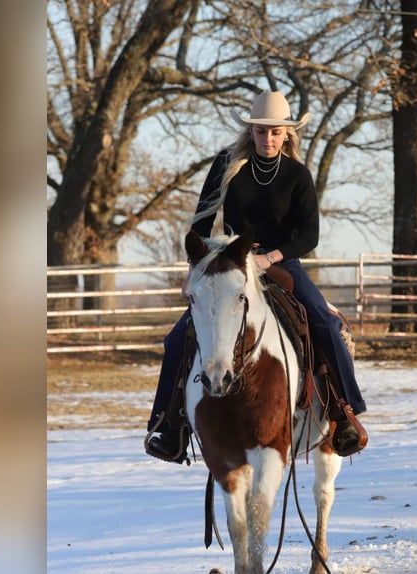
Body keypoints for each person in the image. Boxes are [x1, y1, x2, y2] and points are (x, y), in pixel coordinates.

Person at [144, 91, 367, 464]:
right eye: (262, 132)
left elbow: (307, 235)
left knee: (326, 323)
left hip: (282, 263)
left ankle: (345, 414)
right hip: (231, 262)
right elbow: (200, 223)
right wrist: (193, 270)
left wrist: (269, 258)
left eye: (276, 132)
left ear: (287, 134)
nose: (268, 139)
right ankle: (167, 427)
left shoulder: (297, 175)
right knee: (175, 340)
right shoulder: (226, 165)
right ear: (251, 132)